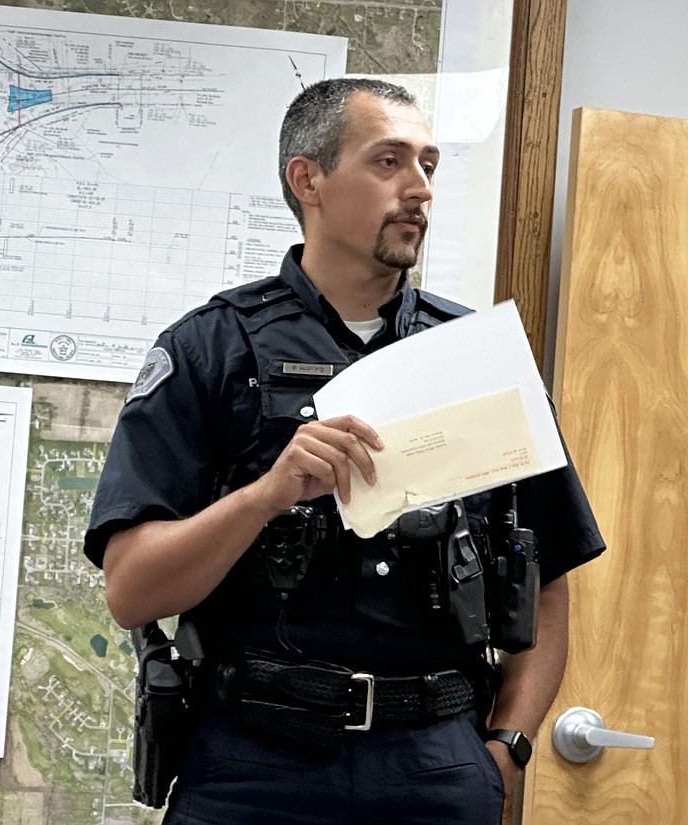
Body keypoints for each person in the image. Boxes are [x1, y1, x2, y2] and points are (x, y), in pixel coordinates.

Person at [84, 77, 605, 824]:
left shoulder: (480, 357)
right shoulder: (209, 349)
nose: (419, 188)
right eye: (389, 161)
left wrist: (508, 747)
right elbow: (132, 590)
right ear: (309, 180)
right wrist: (265, 494)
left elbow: (549, 579)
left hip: (436, 763)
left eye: (428, 164)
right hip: (253, 766)